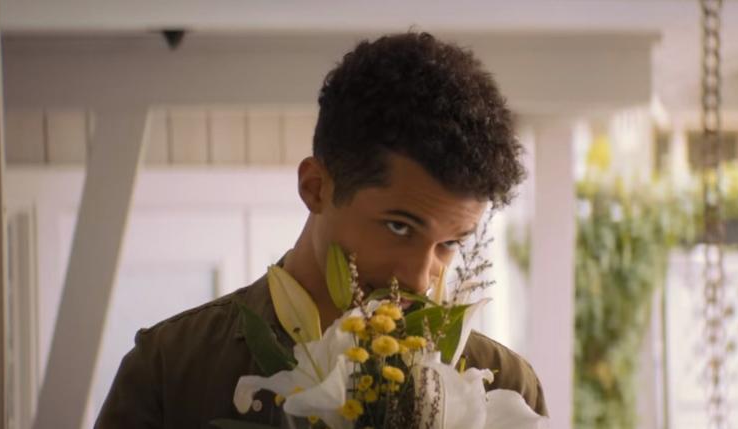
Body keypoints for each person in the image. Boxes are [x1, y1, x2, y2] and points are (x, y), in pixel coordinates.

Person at [94, 32, 546, 428]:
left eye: (449, 244)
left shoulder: (507, 387)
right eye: (399, 227)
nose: (418, 279)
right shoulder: (170, 371)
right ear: (315, 188)